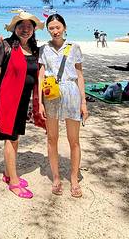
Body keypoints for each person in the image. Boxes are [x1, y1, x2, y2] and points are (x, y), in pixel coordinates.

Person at [0, 12, 46, 199]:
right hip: (9, 99)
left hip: (24, 99)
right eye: (21, 26)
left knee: (15, 137)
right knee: (10, 138)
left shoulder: (33, 48)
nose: (25, 30)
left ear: (33, 30)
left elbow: (39, 74)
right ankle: (13, 182)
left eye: (29, 27)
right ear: (15, 28)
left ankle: (7, 173)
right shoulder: (5, 45)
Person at [38, 14, 88, 198]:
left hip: (71, 92)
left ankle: (74, 179)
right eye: (51, 28)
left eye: (58, 27)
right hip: (51, 94)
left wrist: (83, 102)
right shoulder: (44, 49)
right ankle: (56, 178)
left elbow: (80, 75)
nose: (55, 31)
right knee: (52, 139)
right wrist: (39, 102)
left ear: (64, 27)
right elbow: (41, 76)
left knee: (73, 140)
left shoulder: (74, 47)